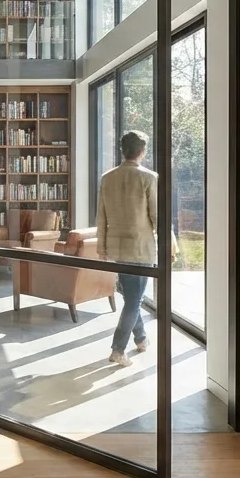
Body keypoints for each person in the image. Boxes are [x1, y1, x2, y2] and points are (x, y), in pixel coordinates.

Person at [96, 130, 175, 367]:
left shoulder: (107, 178)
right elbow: (158, 216)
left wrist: (102, 246)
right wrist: (170, 245)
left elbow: (101, 216)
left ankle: (140, 338)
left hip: (117, 248)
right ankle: (118, 349)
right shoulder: (148, 177)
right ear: (143, 151)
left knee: (132, 297)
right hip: (140, 248)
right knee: (134, 300)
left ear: (122, 150)